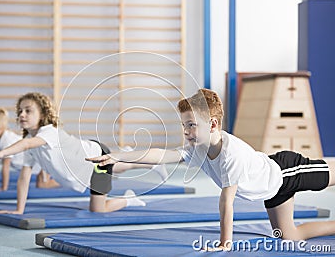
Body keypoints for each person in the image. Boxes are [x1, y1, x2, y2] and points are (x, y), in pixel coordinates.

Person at [87, 88, 335, 251]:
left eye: (191, 125)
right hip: (272, 191)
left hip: (285, 172)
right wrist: (116, 156)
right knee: (289, 238)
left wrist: (225, 243)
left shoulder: (230, 154)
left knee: (330, 175)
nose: (186, 132)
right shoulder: (200, 147)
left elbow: (227, 202)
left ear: (213, 124)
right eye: (184, 125)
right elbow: (162, 155)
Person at [0, 92, 160, 214]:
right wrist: (19, 210)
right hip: (88, 164)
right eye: (20, 111)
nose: (22, 115)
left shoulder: (48, 131)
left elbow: (26, 143)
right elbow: (24, 178)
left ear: (42, 115)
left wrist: (1, 154)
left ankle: (129, 199)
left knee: (98, 210)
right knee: (119, 167)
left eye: (28, 110)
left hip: (95, 158)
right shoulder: (31, 146)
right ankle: (145, 161)